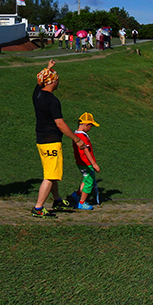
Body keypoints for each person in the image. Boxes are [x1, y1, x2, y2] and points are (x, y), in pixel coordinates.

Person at [31, 60, 88, 218]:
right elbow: (60, 124)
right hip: (51, 142)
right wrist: (77, 139)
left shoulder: (37, 94)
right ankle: (38, 207)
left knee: (52, 172)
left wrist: (47, 69)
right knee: (50, 176)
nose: (58, 81)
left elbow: (39, 81)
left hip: (41, 139)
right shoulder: (52, 100)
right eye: (56, 79)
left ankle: (56, 200)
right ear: (52, 82)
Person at [69, 112, 101, 210]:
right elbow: (86, 150)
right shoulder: (82, 136)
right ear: (86, 125)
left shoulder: (76, 134)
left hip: (80, 162)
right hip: (86, 163)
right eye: (91, 125)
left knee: (86, 179)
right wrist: (94, 164)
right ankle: (81, 202)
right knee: (89, 182)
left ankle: (77, 194)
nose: (91, 128)